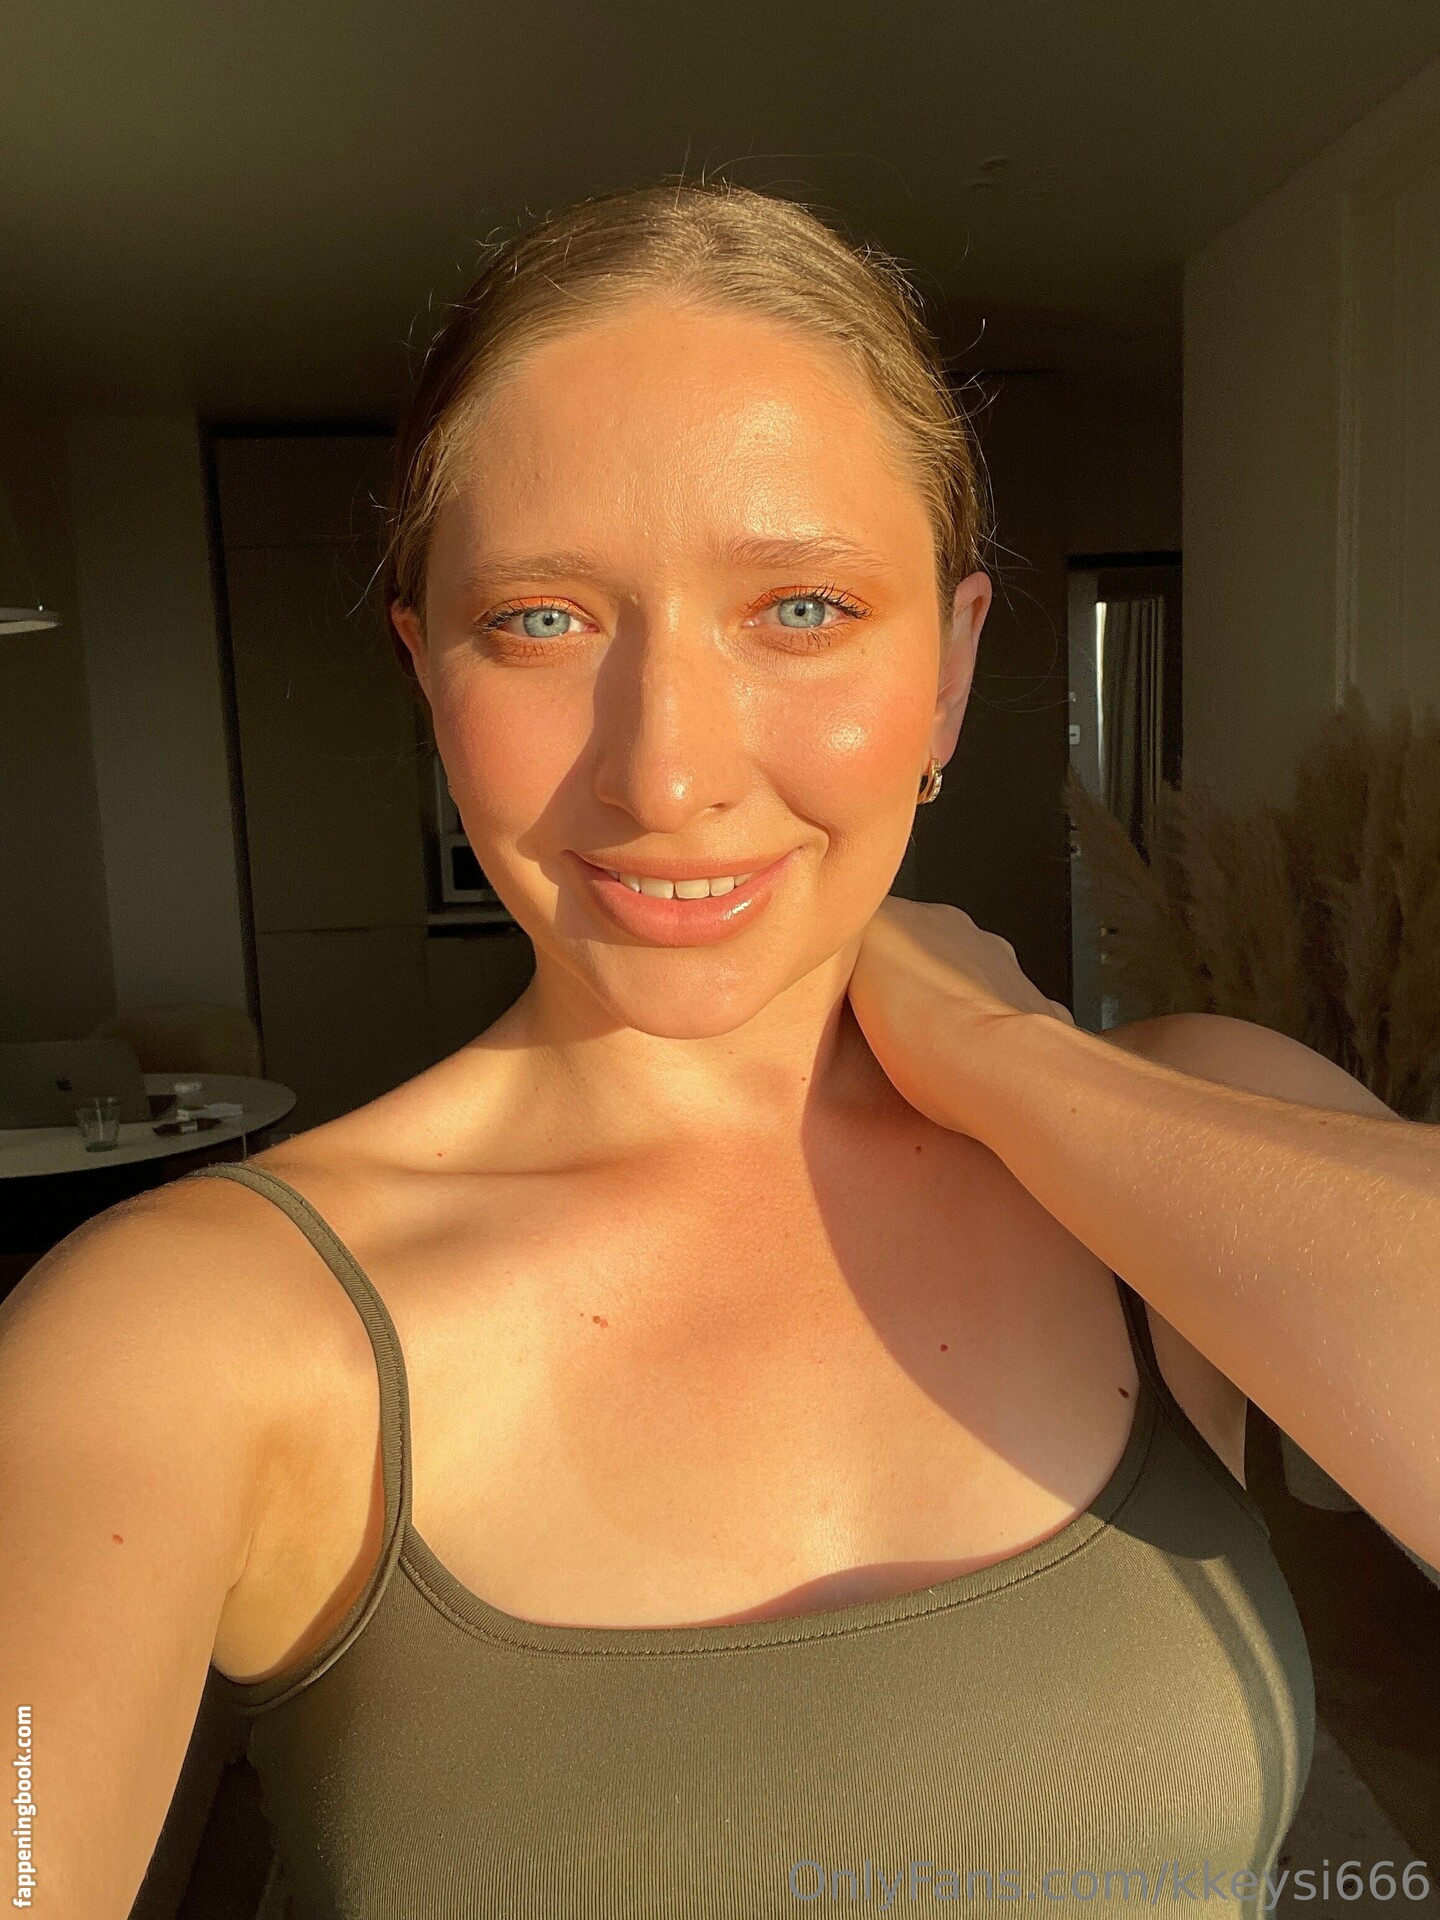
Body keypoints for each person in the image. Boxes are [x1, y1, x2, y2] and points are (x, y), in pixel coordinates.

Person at [6, 178, 1435, 1920]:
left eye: (803, 608)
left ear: (952, 671)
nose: (665, 772)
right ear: (427, 674)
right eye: (540, 619)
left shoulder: (1171, 1137)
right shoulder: (185, 1328)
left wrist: (1009, 1057)